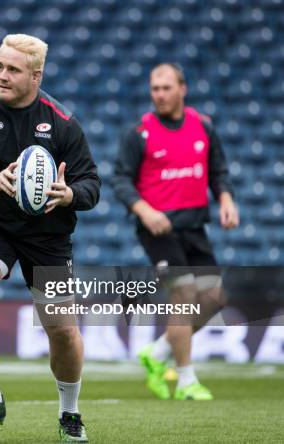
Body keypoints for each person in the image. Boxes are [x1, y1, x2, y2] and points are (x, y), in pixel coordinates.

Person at [0, 34, 100, 441]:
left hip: (47, 235)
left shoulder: (62, 123)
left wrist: (70, 194)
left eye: (12, 69)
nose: (2, 76)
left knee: (61, 329)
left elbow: (91, 184)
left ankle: (69, 413)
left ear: (36, 76)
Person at [113, 63, 239, 401]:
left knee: (214, 300)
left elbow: (219, 171)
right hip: (158, 228)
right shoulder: (139, 132)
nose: (160, 95)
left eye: (166, 88)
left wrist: (225, 199)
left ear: (183, 88)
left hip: (194, 225)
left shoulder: (204, 127)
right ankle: (186, 380)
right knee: (183, 294)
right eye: (155, 88)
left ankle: (157, 352)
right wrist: (145, 211)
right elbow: (121, 180)